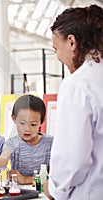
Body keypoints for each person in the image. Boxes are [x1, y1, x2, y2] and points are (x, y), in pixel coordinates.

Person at [43, 5, 103, 200]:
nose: (58, 56)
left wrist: (54, 189)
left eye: (56, 49)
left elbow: (73, 158)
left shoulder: (78, 84)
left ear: (71, 42)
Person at [0, 94, 53, 185]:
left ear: (42, 122)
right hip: (19, 191)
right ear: (14, 119)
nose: (27, 129)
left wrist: (25, 180)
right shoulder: (12, 143)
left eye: (33, 124)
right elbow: (3, 158)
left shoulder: (51, 143)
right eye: (22, 123)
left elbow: (53, 177)